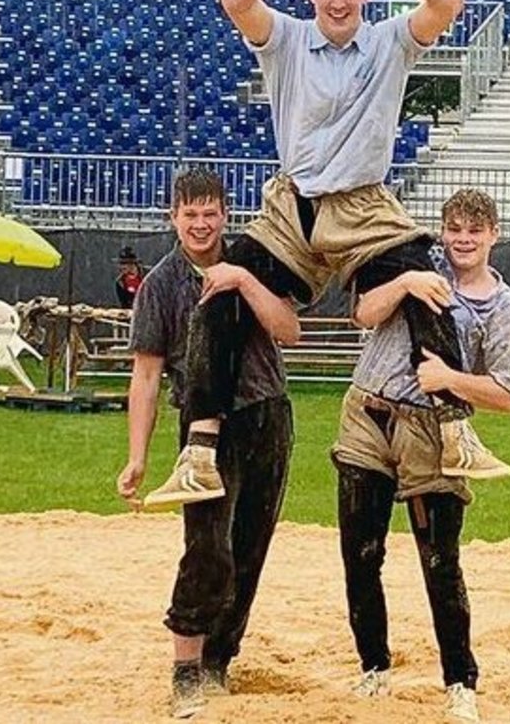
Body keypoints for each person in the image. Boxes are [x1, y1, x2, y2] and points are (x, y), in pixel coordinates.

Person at [145, 0, 509, 509]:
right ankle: (199, 452)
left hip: (365, 208)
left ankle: (453, 429)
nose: (337, 3)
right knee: (220, 289)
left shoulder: (391, 42)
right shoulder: (286, 39)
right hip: (294, 204)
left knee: (425, 281)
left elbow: (449, 0)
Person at [333, 189, 510, 723]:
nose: (463, 240)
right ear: (443, 231)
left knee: (439, 561)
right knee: (361, 552)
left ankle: (459, 681)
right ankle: (374, 666)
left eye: (474, 230)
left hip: (433, 432)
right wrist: (404, 283)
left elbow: (508, 395)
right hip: (368, 413)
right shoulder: (415, 267)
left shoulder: (504, 308)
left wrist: (449, 380)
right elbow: (364, 315)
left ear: (494, 234)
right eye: (455, 229)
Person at [114, 169, 301, 719]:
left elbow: (289, 330)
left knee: (250, 548)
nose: (200, 223)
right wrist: (138, 456)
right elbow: (145, 376)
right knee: (207, 547)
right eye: (190, 214)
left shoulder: (252, 261)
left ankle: (221, 658)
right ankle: (187, 668)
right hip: (202, 434)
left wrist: (243, 281)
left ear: (225, 213)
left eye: (210, 213)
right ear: (173, 216)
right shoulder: (162, 285)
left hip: (266, 416)